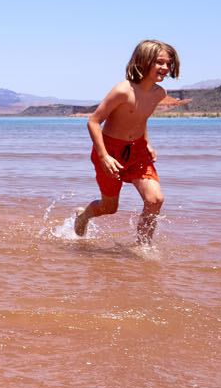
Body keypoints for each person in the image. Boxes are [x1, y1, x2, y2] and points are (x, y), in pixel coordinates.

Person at [74, 40, 179, 243]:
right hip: (110, 151)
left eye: (168, 64)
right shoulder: (123, 91)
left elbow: (141, 118)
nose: (165, 68)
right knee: (109, 208)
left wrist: (147, 142)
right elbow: (94, 121)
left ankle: (142, 248)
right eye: (160, 62)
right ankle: (83, 216)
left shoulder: (159, 93)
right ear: (143, 61)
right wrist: (104, 156)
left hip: (137, 150)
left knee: (155, 200)